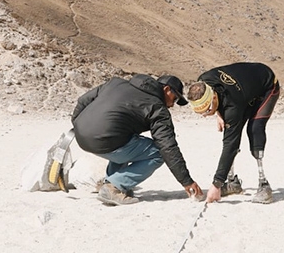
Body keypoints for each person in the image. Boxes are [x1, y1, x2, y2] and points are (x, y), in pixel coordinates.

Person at [71, 73, 204, 206]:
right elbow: (167, 147)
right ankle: (113, 187)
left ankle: (113, 182)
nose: (172, 105)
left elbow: (83, 100)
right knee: (158, 153)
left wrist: (77, 124)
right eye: (175, 99)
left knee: (128, 139)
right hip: (104, 141)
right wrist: (186, 181)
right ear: (167, 90)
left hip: (81, 136)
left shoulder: (116, 83)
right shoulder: (157, 108)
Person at [186, 62, 280, 204]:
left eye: (207, 110)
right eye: (201, 113)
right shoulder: (203, 82)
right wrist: (218, 113)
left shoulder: (232, 107)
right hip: (244, 91)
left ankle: (264, 185)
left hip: (266, 86)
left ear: (214, 98)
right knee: (229, 129)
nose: (205, 115)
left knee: (254, 129)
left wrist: (216, 184)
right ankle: (232, 182)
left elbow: (231, 145)